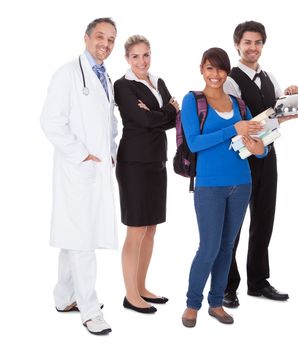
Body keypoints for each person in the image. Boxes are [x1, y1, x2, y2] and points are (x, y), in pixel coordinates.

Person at [40, 18, 118, 335]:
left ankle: (63, 297)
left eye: (112, 39)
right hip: (77, 170)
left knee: (73, 237)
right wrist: (81, 155)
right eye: (100, 36)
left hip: (97, 169)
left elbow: (107, 120)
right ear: (86, 38)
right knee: (81, 239)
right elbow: (50, 122)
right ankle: (89, 309)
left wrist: (110, 150)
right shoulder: (67, 74)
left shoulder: (104, 76)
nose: (106, 43)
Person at [181, 47, 268, 328]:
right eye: (209, 68)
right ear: (201, 69)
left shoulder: (239, 105)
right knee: (208, 247)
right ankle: (192, 304)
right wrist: (234, 129)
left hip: (241, 183)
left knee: (227, 247)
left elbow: (260, 143)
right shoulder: (193, 101)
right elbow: (194, 143)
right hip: (209, 186)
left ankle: (216, 303)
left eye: (220, 69)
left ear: (226, 72)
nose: (214, 74)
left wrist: (259, 148)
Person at [223, 20, 298, 308]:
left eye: (257, 43)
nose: (252, 48)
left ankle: (258, 282)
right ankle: (227, 286)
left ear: (262, 46)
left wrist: (289, 106)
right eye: (247, 43)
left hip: (268, 156)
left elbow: (274, 115)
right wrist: (270, 119)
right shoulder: (230, 80)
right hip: (240, 159)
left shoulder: (269, 77)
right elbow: (236, 123)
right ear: (237, 45)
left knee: (264, 220)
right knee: (232, 225)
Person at [113, 35, 179, 314]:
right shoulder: (122, 86)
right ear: (127, 59)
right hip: (134, 164)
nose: (142, 61)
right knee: (136, 229)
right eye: (136, 56)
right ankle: (130, 295)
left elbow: (171, 118)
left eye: (146, 55)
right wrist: (165, 110)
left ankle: (141, 288)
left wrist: (161, 113)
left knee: (151, 228)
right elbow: (143, 120)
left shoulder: (158, 81)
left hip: (156, 162)